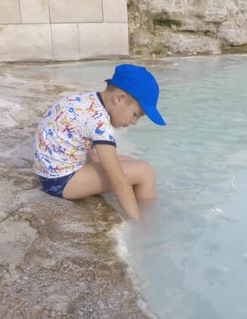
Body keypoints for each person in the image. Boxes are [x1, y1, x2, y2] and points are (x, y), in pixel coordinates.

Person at [33, 64, 166, 221]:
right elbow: (118, 181)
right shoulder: (100, 123)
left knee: (132, 163)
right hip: (60, 182)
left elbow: (79, 138)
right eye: (136, 114)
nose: (134, 122)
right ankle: (147, 221)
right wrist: (138, 223)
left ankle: (141, 208)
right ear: (119, 98)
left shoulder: (87, 101)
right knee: (145, 172)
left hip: (50, 171)